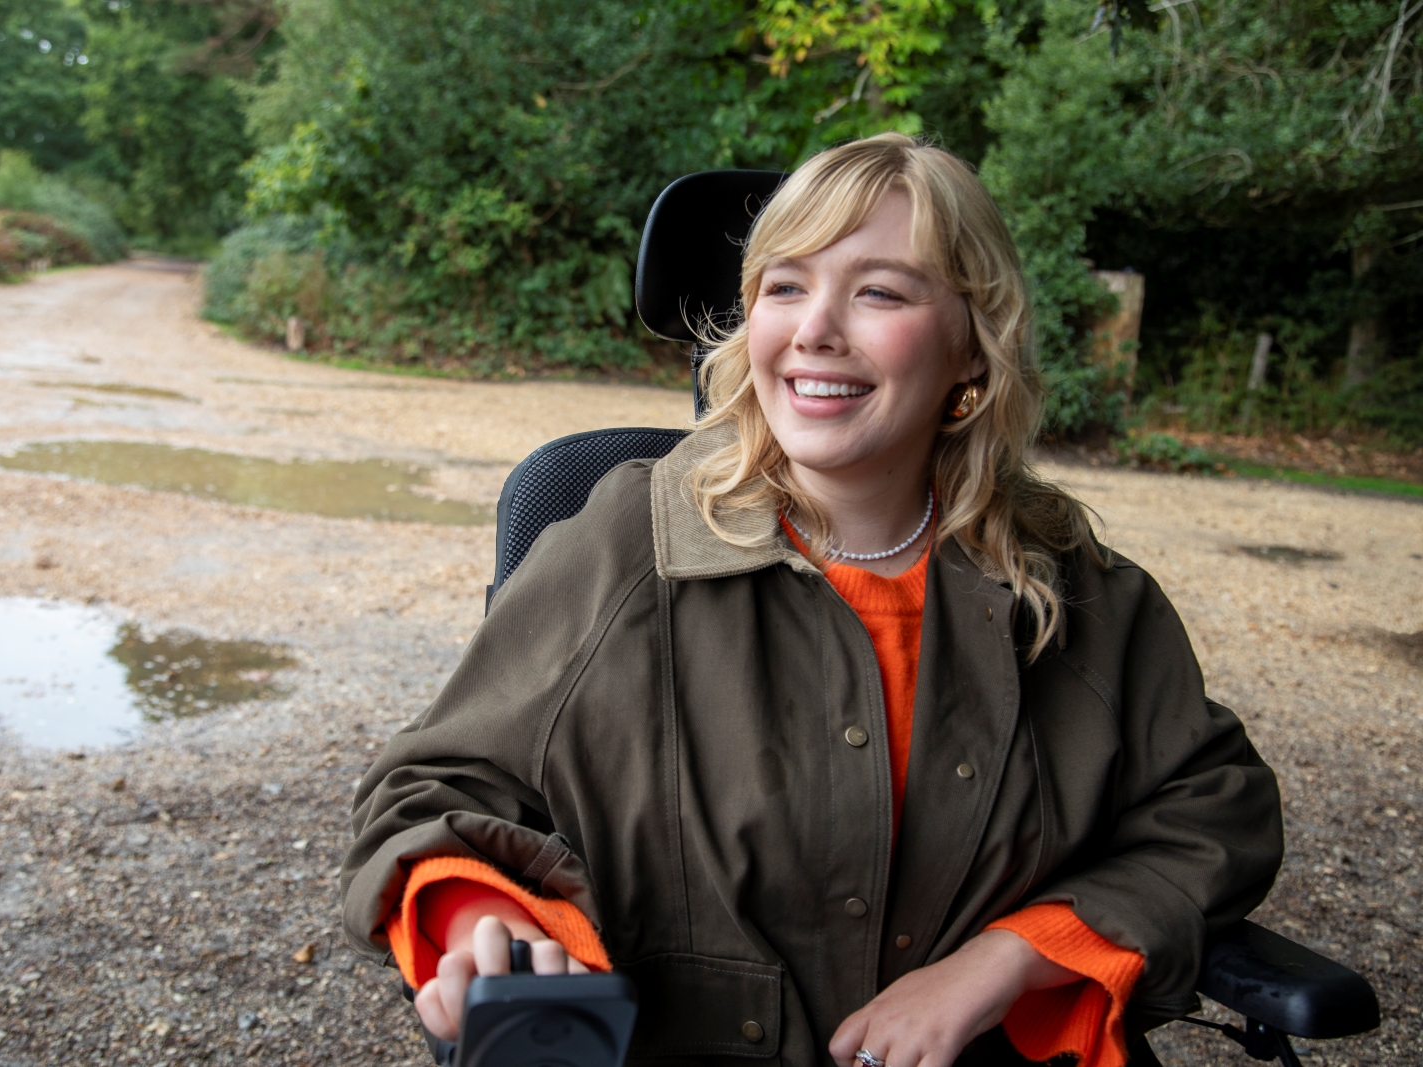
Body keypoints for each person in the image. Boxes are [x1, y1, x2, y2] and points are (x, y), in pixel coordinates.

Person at [337, 133, 1283, 1067]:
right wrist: (485, 917)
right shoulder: (628, 542)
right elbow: (431, 787)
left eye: (879, 292)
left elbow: (1216, 811)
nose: (815, 328)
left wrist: (1008, 960)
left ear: (972, 345)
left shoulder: (1073, 589)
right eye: (784, 286)